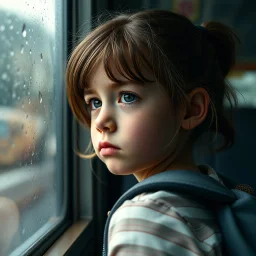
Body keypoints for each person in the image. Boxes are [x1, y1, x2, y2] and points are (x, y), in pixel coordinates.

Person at [66, 9, 239, 255]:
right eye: (94, 102)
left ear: (190, 110)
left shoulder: (146, 219)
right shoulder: (209, 192)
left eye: (127, 97)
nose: (102, 121)